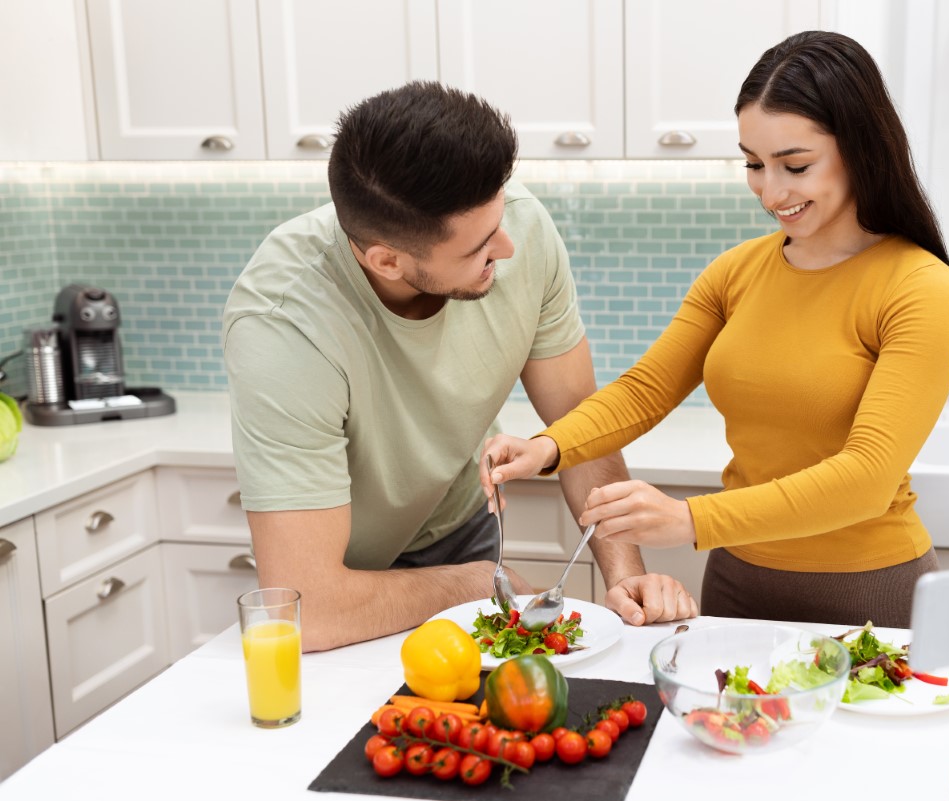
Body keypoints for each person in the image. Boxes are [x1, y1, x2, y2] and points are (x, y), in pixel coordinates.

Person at [482, 31, 949, 628]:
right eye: (754, 164)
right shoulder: (735, 272)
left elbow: (867, 477)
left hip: (871, 595)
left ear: (861, 149)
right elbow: (644, 392)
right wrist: (547, 448)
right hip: (740, 584)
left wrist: (692, 521)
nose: (771, 190)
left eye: (795, 165)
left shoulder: (919, 287)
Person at [222, 81, 697, 652]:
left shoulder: (516, 227)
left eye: (499, 221)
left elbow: (580, 425)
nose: (508, 248)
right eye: (477, 248)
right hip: (348, 578)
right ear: (387, 260)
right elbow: (315, 611)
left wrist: (626, 577)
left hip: (459, 524)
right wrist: (475, 583)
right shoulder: (285, 324)